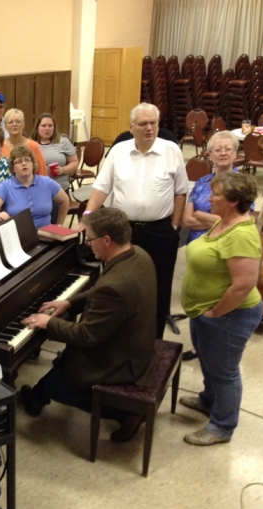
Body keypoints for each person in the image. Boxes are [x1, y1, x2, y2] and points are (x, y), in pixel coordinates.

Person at [19, 208, 158, 442]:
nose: (89, 244)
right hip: (134, 342)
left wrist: (48, 323)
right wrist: (69, 302)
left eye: (91, 238)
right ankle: (36, 397)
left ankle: (126, 412)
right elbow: (102, 292)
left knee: (59, 382)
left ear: (107, 240)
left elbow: (86, 335)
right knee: (62, 365)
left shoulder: (115, 285)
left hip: (122, 360)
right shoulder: (138, 254)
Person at [82, 102, 189, 339]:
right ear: (131, 127)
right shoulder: (118, 151)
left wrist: (174, 226)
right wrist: (88, 216)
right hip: (122, 230)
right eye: (143, 124)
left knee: (159, 288)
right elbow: (101, 187)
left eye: (154, 123)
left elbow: (181, 191)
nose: (149, 128)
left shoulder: (172, 150)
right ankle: (119, 335)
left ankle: (154, 341)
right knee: (118, 284)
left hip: (160, 231)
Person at [179, 171, 263, 446]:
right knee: (209, 360)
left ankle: (222, 426)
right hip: (205, 310)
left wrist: (216, 312)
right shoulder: (224, 221)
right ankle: (208, 401)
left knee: (224, 371)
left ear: (235, 200)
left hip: (230, 315)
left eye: (216, 195)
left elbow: (243, 284)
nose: (209, 198)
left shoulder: (241, 235)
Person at [181, 130, 243, 361]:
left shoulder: (242, 185)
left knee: (216, 298)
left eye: (228, 149)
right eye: (218, 149)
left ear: (236, 153)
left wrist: (203, 216)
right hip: (196, 249)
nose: (223, 153)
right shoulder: (202, 182)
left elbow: (238, 224)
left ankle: (214, 350)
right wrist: (220, 220)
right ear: (210, 154)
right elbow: (187, 220)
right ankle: (200, 347)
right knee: (197, 295)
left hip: (223, 252)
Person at [0, 146, 69, 228]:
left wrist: (59, 225)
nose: (24, 163)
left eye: (27, 160)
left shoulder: (47, 182)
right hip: (19, 235)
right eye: (19, 161)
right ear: (13, 168)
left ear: (33, 164)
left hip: (46, 234)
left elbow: (64, 201)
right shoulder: (6, 186)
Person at [34, 112, 79, 223]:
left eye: (50, 126)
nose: (47, 129)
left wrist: (63, 169)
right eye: (43, 126)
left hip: (60, 189)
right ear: (37, 128)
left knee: (53, 219)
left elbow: (74, 162)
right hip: (38, 189)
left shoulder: (63, 142)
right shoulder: (32, 144)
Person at [2, 109, 47, 176]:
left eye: (18, 121)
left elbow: (42, 173)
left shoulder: (34, 146)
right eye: (10, 122)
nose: (14, 124)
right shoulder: (0, 146)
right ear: (5, 126)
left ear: (23, 124)